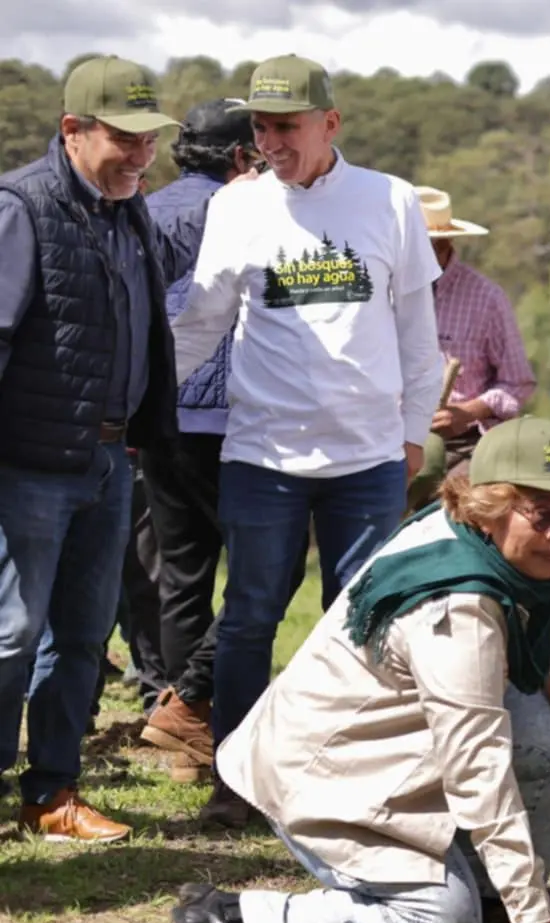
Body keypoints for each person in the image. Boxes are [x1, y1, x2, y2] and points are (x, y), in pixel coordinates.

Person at [169, 417, 550, 923]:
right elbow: (477, 764)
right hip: (321, 781)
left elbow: (521, 614)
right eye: (542, 515)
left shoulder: (464, 535)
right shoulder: (457, 607)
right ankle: (236, 920)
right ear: (489, 505)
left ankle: (487, 896)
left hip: (374, 754)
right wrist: (534, 907)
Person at [169, 55, 444, 828]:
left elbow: (417, 334)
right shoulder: (239, 206)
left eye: (285, 125)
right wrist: (143, 400)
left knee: (361, 619)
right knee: (250, 614)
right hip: (263, 453)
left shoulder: (389, 201)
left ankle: (346, 774)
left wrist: (413, 436)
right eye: (259, 126)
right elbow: (202, 322)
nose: (269, 141)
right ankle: (238, 780)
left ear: (330, 123)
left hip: (367, 458)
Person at [0, 56, 206, 839]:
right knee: (13, 632)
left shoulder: (131, 213)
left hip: (112, 461)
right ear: (72, 130)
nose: (141, 155)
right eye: (124, 139)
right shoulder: (22, 208)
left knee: (83, 637)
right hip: (27, 465)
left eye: (150, 142)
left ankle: (52, 793)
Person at [140, 97, 309, 785]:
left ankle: (190, 740)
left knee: (183, 575)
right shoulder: (248, 209)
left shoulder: (142, 210)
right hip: (230, 417)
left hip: (158, 414)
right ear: (243, 157)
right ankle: (191, 703)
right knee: (271, 566)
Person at [405, 186, 536, 512]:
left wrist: (467, 413)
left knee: (463, 517)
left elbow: (517, 384)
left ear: (445, 244)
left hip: (465, 445)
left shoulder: (486, 298)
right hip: (391, 435)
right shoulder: (383, 292)